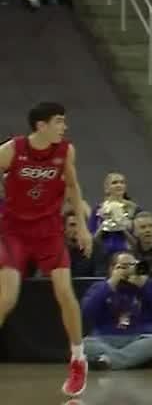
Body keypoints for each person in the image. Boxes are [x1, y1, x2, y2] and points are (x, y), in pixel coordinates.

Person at [0, 102, 93, 396]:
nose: (64, 127)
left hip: (48, 231)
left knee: (64, 291)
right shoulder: (12, 150)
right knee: (6, 297)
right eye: (59, 121)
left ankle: (78, 359)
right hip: (14, 231)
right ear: (41, 125)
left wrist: (83, 227)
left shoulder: (65, 151)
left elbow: (73, 188)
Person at [81, 251, 152, 371]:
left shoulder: (145, 285)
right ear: (111, 269)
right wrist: (111, 284)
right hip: (105, 338)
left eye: (132, 266)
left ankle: (109, 361)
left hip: (138, 338)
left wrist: (146, 285)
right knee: (84, 344)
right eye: (123, 267)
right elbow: (87, 311)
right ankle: (139, 362)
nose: (128, 271)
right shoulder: (100, 287)